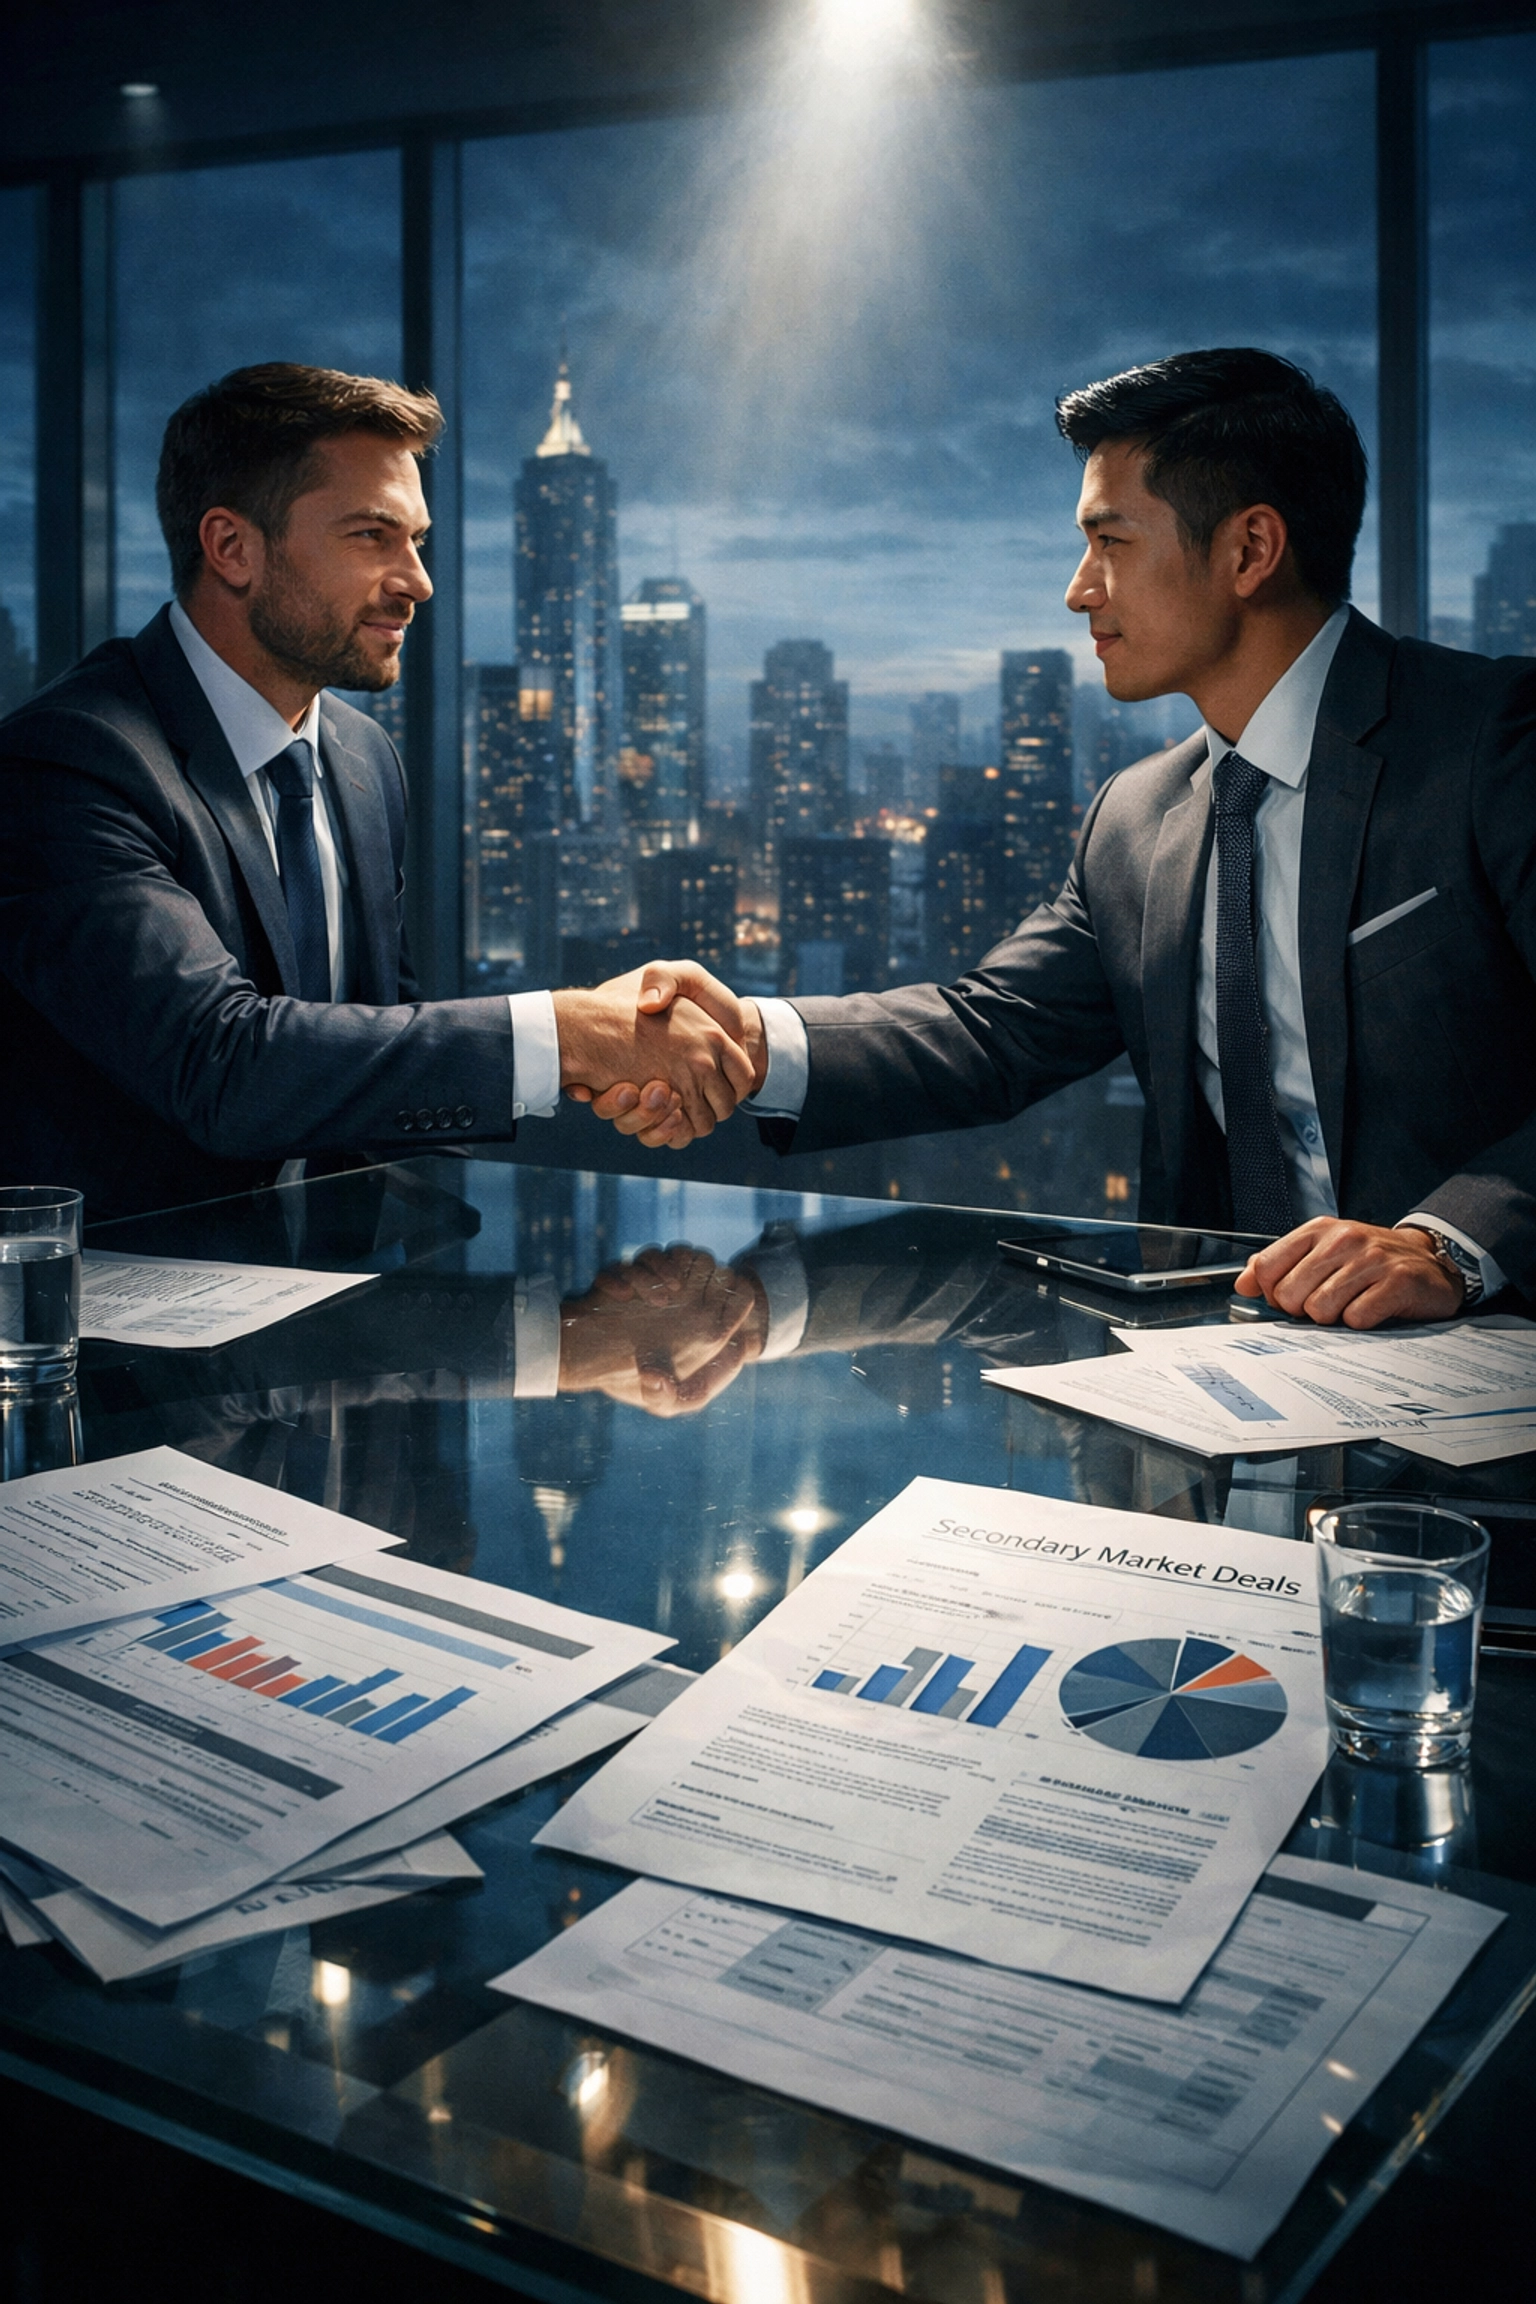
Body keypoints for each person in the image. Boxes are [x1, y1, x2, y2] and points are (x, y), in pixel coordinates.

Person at [608, 349, 1536, 1329]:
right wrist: (752, 1044)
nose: (1078, 590)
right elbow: (990, 1033)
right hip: (1231, 1376)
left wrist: (1451, 1244)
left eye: (1111, 543)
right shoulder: (1135, 820)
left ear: (1250, 551)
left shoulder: (1491, 742)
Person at [0, 363, 751, 1219]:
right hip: (104, 1321)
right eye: (371, 536)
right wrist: (566, 1035)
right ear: (232, 547)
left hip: (324, 1308)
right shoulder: (68, 763)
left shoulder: (361, 758)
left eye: (417, 540)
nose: (417, 581)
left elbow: (376, 1063)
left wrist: (588, 1078)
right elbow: (222, 1066)